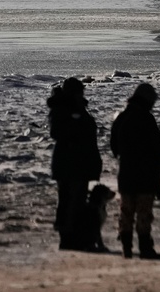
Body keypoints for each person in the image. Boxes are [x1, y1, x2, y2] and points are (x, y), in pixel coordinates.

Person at [110, 82, 160, 259]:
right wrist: (157, 177)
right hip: (146, 175)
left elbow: (114, 146)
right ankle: (145, 248)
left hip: (126, 174)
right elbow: (158, 151)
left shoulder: (122, 117)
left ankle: (126, 248)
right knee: (143, 214)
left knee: (126, 212)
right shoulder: (147, 119)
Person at [47, 77, 102, 251]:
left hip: (76, 162)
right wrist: (75, 129)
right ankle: (69, 239)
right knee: (70, 201)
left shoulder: (75, 107)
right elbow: (57, 132)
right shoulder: (64, 108)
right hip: (70, 162)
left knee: (75, 201)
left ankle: (75, 238)